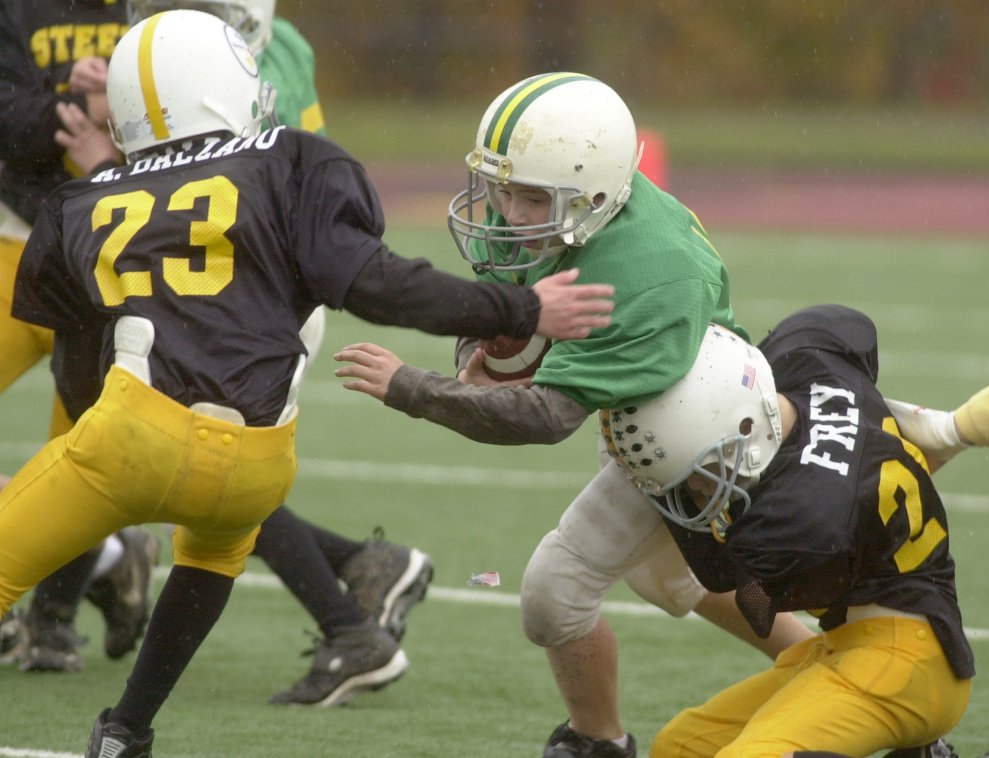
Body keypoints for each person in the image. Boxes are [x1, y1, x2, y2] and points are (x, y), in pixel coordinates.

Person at [0, 11, 614, 756]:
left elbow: (77, 361)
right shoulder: (293, 162)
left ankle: (98, 664)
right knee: (211, 554)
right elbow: (376, 285)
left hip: (130, 437)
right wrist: (518, 308)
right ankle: (127, 729)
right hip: (256, 463)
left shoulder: (82, 201)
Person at [333, 71, 818, 758]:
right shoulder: (561, 203)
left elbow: (542, 416)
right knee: (668, 575)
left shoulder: (647, 272)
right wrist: (485, 342)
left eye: (529, 197)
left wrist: (410, 387)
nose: (505, 210)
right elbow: (502, 299)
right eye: (499, 189)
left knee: (554, 594)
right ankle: (823, 664)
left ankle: (598, 741)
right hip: (640, 409)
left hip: (696, 438)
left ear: (594, 193)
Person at [596, 307, 973, 756]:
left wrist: (659, 489)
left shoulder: (800, 517)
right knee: (681, 747)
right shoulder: (809, 360)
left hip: (908, 660)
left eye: (697, 473)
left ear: (742, 430)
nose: (696, 489)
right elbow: (852, 330)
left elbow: (722, 578)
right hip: (846, 647)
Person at [0, 0, 166, 674]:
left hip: (113, 262)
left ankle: (55, 617)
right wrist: (78, 98)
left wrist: (117, 112)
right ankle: (114, 558)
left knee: (86, 450)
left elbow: (193, 141)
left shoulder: (164, 13)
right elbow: (8, 120)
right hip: (18, 244)